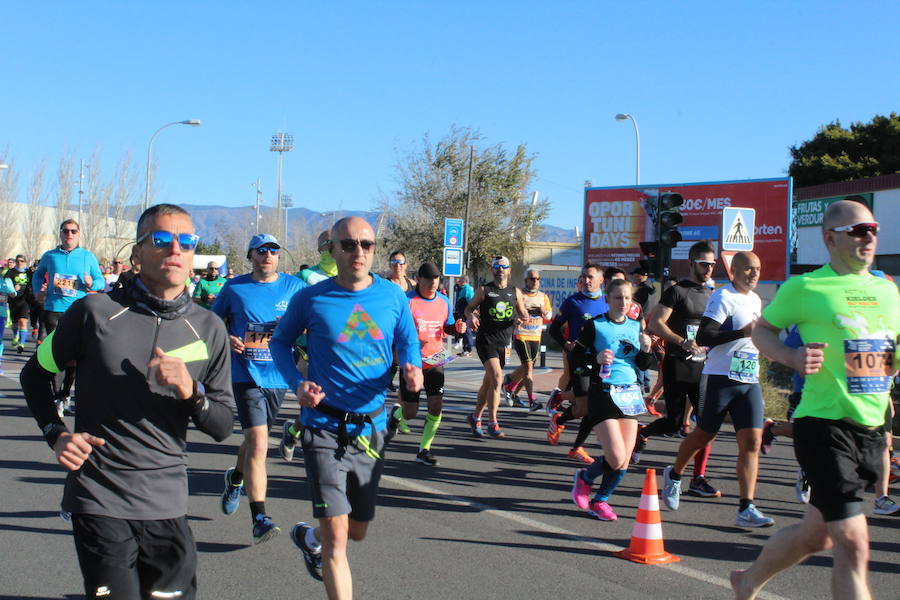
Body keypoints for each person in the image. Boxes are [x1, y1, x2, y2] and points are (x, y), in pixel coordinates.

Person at [20, 204, 234, 599]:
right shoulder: (94, 312)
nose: (175, 249)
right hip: (99, 498)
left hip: (167, 505)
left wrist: (192, 392)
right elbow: (33, 374)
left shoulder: (209, 328)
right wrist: (56, 434)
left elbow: (222, 425)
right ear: (136, 255)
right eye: (161, 240)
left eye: (186, 242)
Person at [730, 201, 898, 600]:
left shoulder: (888, 290)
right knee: (853, 542)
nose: (868, 237)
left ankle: (747, 580)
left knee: (815, 535)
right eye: (858, 230)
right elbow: (762, 331)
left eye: (872, 229)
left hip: (871, 428)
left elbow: (890, 356)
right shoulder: (806, 288)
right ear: (830, 238)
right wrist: (790, 357)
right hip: (824, 425)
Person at [270, 216, 422, 599]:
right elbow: (279, 344)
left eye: (366, 245)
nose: (358, 252)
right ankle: (323, 544)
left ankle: (309, 537)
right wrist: (296, 383)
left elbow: (408, 342)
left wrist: (412, 367)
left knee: (356, 530)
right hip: (322, 425)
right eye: (349, 244)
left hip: (372, 428)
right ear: (332, 250)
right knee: (338, 540)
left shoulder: (392, 297)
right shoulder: (312, 298)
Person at [660, 251, 774, 527]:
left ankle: (747, 507)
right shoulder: (723, 297)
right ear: (734, 270)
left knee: (751, 442)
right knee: (703, 436)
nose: (754, 273)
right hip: (720, 377)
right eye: (748, 269)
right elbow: (705, 336)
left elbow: (753, 335)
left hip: (749, 380)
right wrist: (743, 333)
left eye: (758, 268)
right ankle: (674, 475)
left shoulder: (756, 299)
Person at [213, 234, 307, 544]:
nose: (268, 255)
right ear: (251, 255)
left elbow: (312, 321)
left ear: (280, 256)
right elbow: (211, 322)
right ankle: (260, 518)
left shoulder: (295, 288)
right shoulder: (235, 287)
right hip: (246, 373)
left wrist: (297, 328)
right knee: (259, 441)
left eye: (273, 250)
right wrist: (227, 336)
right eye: (261, 250)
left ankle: (236, 478)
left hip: (279, 374)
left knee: (256, 442)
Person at [636, 241, 720, 497]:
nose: (708, 269)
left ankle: (698, 478)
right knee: (673, 424)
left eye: (712, 265)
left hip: (704, 368)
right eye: (704, 264)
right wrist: (682, 341)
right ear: (692, 263)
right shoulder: (677, 291)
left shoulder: (713, 293)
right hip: (677, 364)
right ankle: (642, 433)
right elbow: (656, 324)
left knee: (707, 425)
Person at [570, 279, 654, 520]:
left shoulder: (636, 325)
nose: (623, 302)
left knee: (624, 460)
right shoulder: (596, 326)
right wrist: (594, 359)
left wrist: (647, 351)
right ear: (607, 300)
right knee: (615, 456)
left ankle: (601, 500)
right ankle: (585, 478)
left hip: (630, 394)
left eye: (627, 298)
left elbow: (641, 365)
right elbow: (576, 358)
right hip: (603, 392)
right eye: (618, 297)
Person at [387, 262, 466, 466]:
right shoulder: (407, 301)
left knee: (436, 406)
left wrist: (456, 328)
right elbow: (393, 329)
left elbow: (447, 327)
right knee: (410, 413)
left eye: (436, 278)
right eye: (429, 278)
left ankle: (424, 450)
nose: (433, 282)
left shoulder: (443, 301)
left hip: (436, 359)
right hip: (412, 362)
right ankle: (396, 414)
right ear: (419, 279)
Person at [32, 219, 105, 409]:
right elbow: (38, 275)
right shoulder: (50, 256)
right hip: (53, 310)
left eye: (73, 231)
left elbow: (101, 281)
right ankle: (57, 397)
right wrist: (38, 290)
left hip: (78, 312)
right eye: (65, 231)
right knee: (56, 355)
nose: (69, 234)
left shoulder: (87, 257)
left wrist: (91, 284)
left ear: (79, 234)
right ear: (60, 233)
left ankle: (65, 394)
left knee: (74, 358)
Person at [546, 263, 608, 463]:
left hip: (602, 360)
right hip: (580, 358)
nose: (586, 281)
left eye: (590, 277)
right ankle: (561, 421)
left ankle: (574, 445)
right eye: (584, 277)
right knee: (585, 406)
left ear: (601, 281)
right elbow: (554, 329)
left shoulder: (608, 302)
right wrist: (566, 344)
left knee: (593, 406)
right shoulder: (573, 302)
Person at [464, 255, 528, 439]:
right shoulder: (484, 290)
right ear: (492, 270)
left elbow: (523, 314)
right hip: (486, 340)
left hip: (503, 343)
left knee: (488, 382)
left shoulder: (515, 292)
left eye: (504, 266)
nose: (500, 269)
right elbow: (468, 309)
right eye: (496, 267)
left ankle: (475, 416)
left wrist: (521, 319)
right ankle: (493, 422)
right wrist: (472, 317)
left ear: (509, 270)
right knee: (498, 378)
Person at [504, 269, 552, 411]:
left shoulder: (543, 297)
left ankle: (510, 386)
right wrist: (516, 320)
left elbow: (549, 316)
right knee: (528, 367)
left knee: (528, 367)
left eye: (537, 279)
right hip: (521, 335)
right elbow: (511, 313)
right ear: (526, 280)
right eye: (532, 279)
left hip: (536, 335)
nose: (535, 281)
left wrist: (544, 312)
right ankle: (532, 400)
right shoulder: (520, 295)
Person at [5, 255, 34, 354]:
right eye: (18, 261)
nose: (20, 263)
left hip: (24, 301)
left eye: (22, 261)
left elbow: (33, 283)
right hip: (13, 301)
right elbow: (5, 285)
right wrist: (12, 289)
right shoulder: (10, 272)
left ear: (25, 262)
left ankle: (21, 344)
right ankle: (15, 335)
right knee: (15, 323)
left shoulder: (28, 272)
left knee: (23, 321)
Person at [454, 275, 476, 356]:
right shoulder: (464, 288)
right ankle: (465, 349)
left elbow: (471, 300)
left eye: (460, 280)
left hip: (465, 313)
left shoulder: (467, 288)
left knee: (467, 331)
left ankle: (468, 349)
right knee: (464, 331)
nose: (458, 282)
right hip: (462, 313)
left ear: (464, 281)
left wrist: (471, 311)